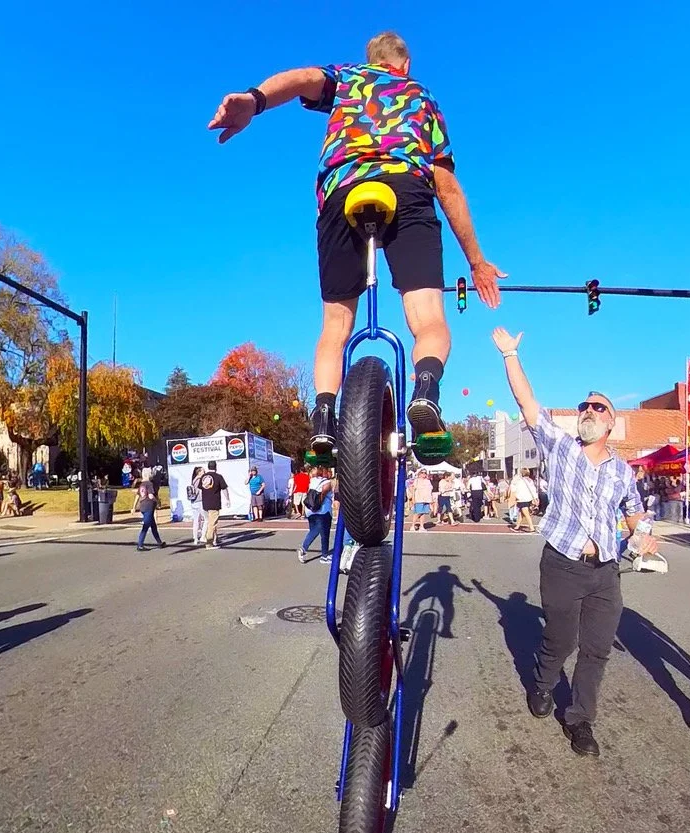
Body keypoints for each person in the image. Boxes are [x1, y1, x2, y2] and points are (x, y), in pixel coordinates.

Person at [208, 31, 504, 454]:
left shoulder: (347, 78)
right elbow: (446, 185)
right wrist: (476, 261)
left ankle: (324, 417)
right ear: (404, 64)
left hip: (340, 193)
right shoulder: (421, 96)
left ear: (371, 60)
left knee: (335, 326)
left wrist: (254, 101)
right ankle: (424, 394)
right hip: (406, 189)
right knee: (428, 320)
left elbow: (303, 78)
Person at [493, 327, 657, 758]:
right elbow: (527, 404)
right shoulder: (561, 447)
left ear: (610, 421)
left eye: (597, 407)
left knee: (597, 650)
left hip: (605, 570)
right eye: (584, 405)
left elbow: (634, 512)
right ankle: (543, 682)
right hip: (562, 564)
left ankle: (581, 720)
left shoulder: (623, 471)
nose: (587, 409)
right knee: (561, 640)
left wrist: (644, 535)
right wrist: (511, 355)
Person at [298, 467, 334, 563]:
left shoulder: (312, 481)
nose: (330, 474)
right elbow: (323, 493)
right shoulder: (326, 482)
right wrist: (317, 505)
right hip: (322, 510)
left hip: (309, 510)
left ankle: (304, 549)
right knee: (324, 533)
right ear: (324, 473)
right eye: (329, 472)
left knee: (313, 530)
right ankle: (324, 556)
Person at [196, 460, 230, 549]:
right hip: (214, 503)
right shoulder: (218, 477)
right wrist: (227, 499)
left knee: (209, 522)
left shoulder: (203, 476)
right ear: (216, 467)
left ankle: (215, 539)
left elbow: (200, 490)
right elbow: (224, 489)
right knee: (212, 523)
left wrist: (202, 498)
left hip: (205, 503)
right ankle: (209, 543)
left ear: (208, 467)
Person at [132, 467, 167, 551]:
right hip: (149, 506)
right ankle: (140, 545)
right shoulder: (149, 484)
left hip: (143, 506)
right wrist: (158, 502)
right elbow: (151, 496)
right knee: (146, 526)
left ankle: (159, 542)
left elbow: (137, 496)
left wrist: (133, 507)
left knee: (153, 525)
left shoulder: (142, 484)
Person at [187, 466, 207, 544]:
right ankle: (203, 536)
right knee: (206, 519)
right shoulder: (200, 480)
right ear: (199, 472)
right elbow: (200, 491)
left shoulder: (193, 480)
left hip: (193, 502)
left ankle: (195, 538)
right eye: (203, 471)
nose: (204, 473)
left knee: (196, 520)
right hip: (199, 501)